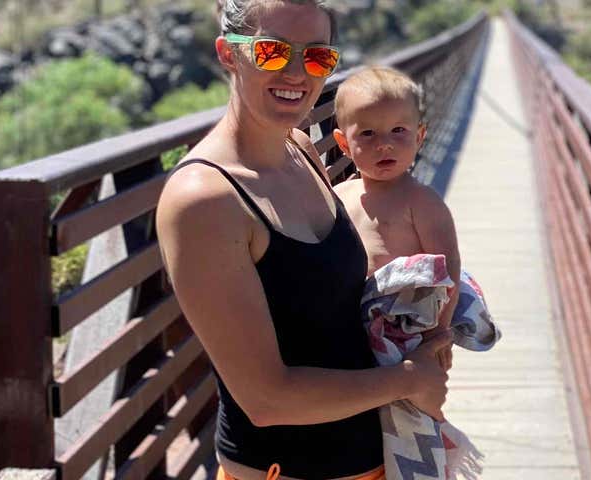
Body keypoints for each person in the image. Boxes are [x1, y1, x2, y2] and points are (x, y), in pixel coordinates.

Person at [155, 2, 451, 479]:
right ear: (229, 54)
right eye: (273, 52)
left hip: (378, 459)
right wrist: (408, 380)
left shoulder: (301, 148)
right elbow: (265, 399)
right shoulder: (204, 200)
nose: (297, 72)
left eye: (317, 58)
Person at [332, 66, 461, 370]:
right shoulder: (339, 195)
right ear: (343, 145)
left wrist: (439, 331)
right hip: (350, 327)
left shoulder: (421, 201)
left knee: (407, 413)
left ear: (419, 137)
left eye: (398, 131)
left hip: (406, 331)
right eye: (367, 133)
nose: (384, 144)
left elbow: (448, 267)